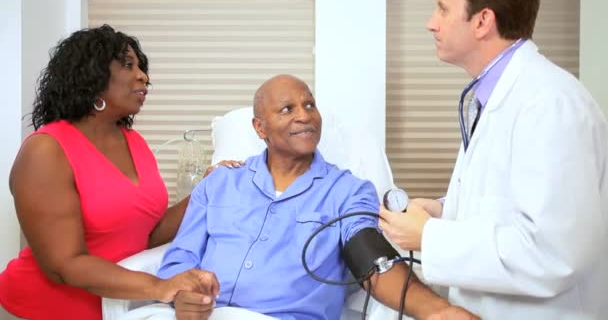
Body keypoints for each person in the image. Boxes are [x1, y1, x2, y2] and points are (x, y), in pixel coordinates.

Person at [156, 74, 479, 320]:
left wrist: (438, 312)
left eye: (309, 105)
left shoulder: (348, 191)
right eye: (287, 109)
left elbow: (372, 262)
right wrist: (183, 293)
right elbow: (180, 257)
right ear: (260, 128)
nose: (305, 115)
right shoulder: (221, 182)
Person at [378, 0, 608, 319]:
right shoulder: (496, 97)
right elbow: (509, 203)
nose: (431, 22)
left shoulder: (549, 104)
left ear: (483, 21)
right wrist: (445, 210)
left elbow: (553, 253)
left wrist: (429, 236)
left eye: (442, 8)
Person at [0, 25, 239, 319]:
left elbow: (147, 235)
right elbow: (64, 264)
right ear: (91, 77)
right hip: (38, 310)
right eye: (128, 65)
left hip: (114, 310)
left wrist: (207, 189)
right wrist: (159, 286)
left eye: (142, 67)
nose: (143, 76)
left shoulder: (133, 142)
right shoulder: (46, 151)